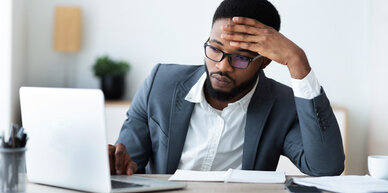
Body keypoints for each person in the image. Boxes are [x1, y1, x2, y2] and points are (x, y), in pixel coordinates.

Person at [108, 0, 345, 176]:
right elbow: (128, 165)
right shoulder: (160, 83)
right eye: (215, 49)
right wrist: (116, 163)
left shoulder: (282, 105)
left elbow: (326, 168)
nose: (222, 66)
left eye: (240, 58)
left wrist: (297, 60)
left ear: (264, 61)